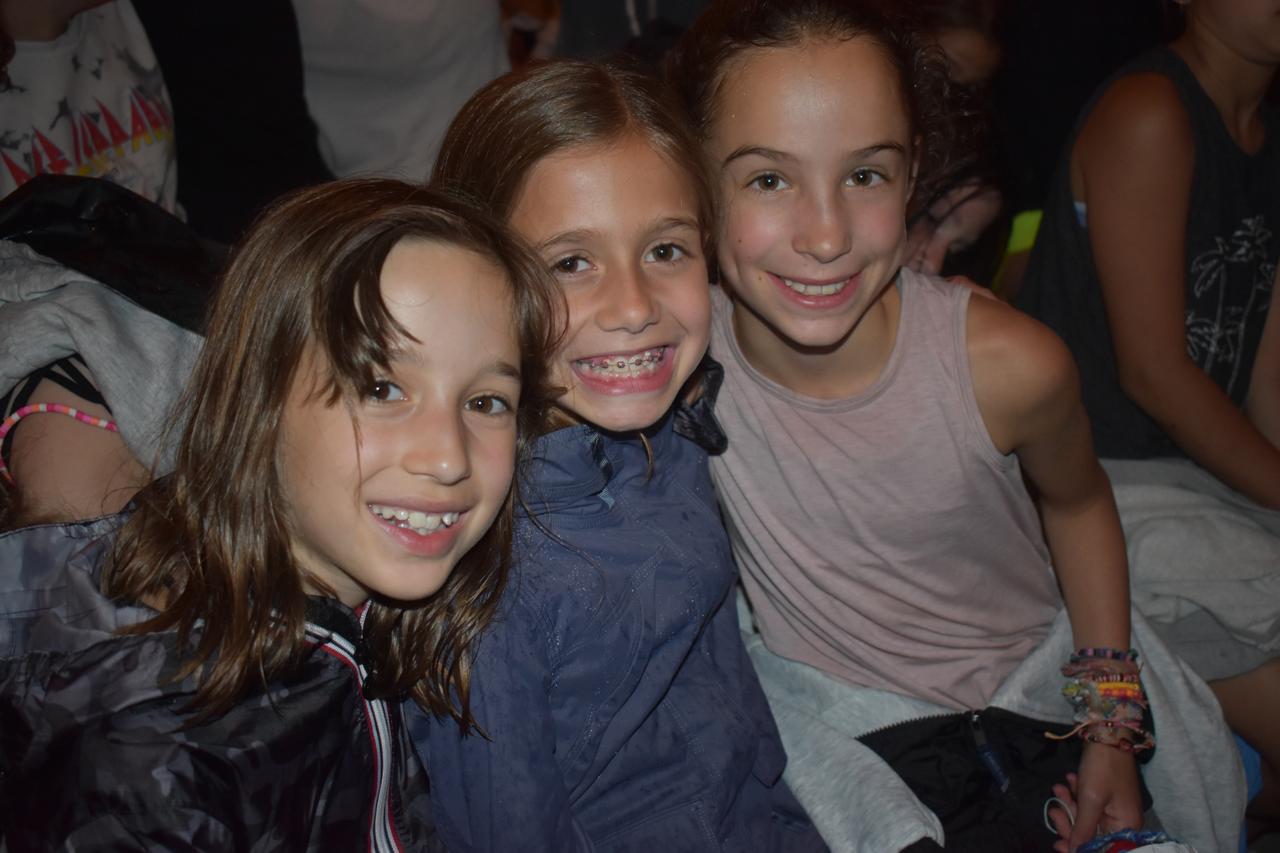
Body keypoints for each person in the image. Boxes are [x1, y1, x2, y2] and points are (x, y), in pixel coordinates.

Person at [667, 2, 1243, 851]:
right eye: (768, 180)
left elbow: (1080, 505)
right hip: (857, 732)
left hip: (1041, 705)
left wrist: (1111, 727)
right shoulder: (671, 360)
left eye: (866, 175)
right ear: (694, 182)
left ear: (913, 175)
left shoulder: (1009, 364)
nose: (825, 235)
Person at [0, 178, 561, 849]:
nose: (447, 458)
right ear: (257, 402)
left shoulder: (358, 604)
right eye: (382, 388)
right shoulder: (153, 761)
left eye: (486, 401)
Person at [410, 60, 824, 851]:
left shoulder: (673, 434)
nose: (634, 307)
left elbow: (736, 711)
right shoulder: (479, 569)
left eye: (666, 250)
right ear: (475, 279)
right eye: (571, 263)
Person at [1015, 0, 1280, 825]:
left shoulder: (1266, 131)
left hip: (1196, 475)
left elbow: (1262, 368)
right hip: (1106, 480)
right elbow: (1155, 373)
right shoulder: (1151, 111)